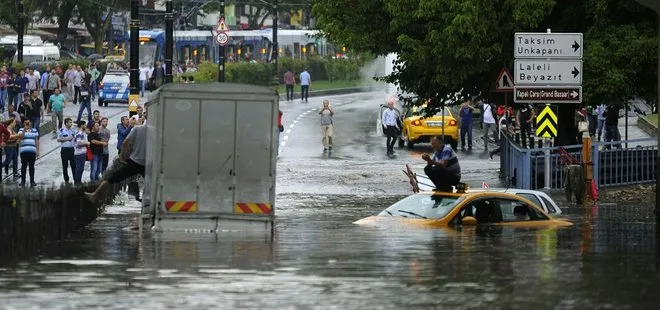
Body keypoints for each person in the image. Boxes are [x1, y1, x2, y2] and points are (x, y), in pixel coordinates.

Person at [85, 123, 147, 202]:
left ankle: (95, 195)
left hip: (134, 162)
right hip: (148, 163)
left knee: (112, 178)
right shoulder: (156, 130)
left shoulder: (137, 129)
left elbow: (125, 142)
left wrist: (122, 157)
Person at [17, 118, 39, 187]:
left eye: (28, 122)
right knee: (23, 167)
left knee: (31, 167)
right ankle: (23, 181)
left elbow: (36, 141)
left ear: (31, 123)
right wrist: (24, 129)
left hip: (32, 152)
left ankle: (32, 181)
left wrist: (37, 151)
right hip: (24, 152)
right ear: (24, 123)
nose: (27, 124)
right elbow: (21, 138)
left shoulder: (34, 130)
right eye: (26, 122)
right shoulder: (20, 130)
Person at [56, 118, 76, 184]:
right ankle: (66, 180)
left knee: (73, 165)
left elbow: (74, 138)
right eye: (70, 122)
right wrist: (67, 138)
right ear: (66, 123)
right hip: (65, 149)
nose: (71, 123)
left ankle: (75, 178)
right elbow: (58, 139)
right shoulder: (62, 130)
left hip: (71, 149)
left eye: (71, 122)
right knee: (65, 165)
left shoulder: (73, 130)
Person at [73, 121, 89, 185]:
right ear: (82, 125)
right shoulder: (79, 133)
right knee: (79, 169)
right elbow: (79, 143)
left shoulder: (82, 133)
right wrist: (87, 143)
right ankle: (77, 183)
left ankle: (78, 182)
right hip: (79, 154)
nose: (86, 126)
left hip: (82, 154)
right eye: (85, 125)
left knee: (81, 169)